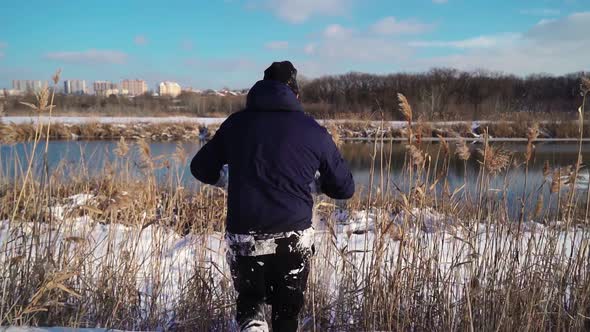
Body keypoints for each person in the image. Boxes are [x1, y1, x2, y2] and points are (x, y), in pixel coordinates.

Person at [190, 61, 355, 332]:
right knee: (286, 312)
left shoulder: (236, 124)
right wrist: (312, 184)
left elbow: (200, 168)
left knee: (250, 302)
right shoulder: (313, 131)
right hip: (293, 238)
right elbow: (344, 188)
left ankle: (253, 324)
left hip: (245, 235)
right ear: (295, 94)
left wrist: (226, 179)